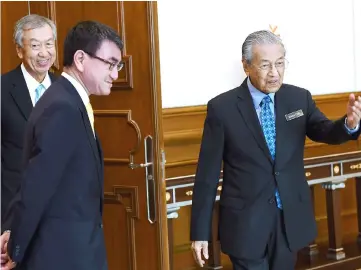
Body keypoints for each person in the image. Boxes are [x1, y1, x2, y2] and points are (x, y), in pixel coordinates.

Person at [190, 30, 361, 270]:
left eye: (280, 64)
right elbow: (206, 175)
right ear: (246, 65)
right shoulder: (222, 108)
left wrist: (349, 125)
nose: (274, 73)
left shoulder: (298, 98)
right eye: (266, 65)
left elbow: (325, 131)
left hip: (288, 220)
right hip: (245, 224)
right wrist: (199, 232)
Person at [4, 20, 124, 270]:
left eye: (118, 65)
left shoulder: (69, 99)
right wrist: (16, 246)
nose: (115, 74)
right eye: (110, 64)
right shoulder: (63, 106)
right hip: (61, 256)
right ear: (80, 59)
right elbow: (37, 184)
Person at [1, 14, 57, 229]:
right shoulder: (3, 89)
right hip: (14, 211)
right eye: (35, 45)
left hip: (60, 212)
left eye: (49, 44)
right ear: (19, 50)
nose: (44, 53)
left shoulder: (67, 88)